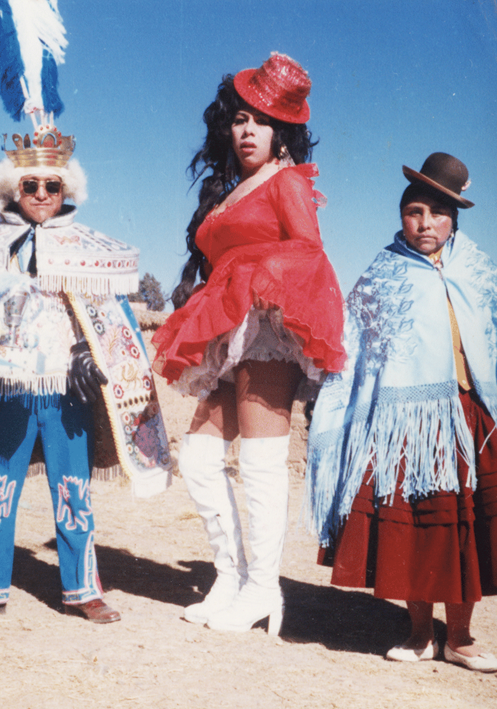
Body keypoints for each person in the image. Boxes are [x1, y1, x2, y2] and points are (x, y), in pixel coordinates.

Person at [0, 123, 171, 622]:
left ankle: (83, 588)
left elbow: (109, 319)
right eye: (31, 186)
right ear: (12, 188)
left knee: (73, 489)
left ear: (67, 189)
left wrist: (94, 353)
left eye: (52, 186)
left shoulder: (88, 250)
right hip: (6, 389)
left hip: (68, 392)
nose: (42, 195)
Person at [152, 52, 346, 634]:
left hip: (264, 331)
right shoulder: (236, 189)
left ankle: (263, 589)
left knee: (260, 465)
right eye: (239, 120)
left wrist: (256, 280)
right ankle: (230, 577)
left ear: (280, 131)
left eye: (259, 122)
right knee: (202, 459)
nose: (246, 131)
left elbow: (309, 251)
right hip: (226, 330)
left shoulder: (288, 181)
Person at [306, 153, 497, 671]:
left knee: (463, 532)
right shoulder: (381, 278)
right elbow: (357, 354)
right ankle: (419, 634)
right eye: (415, 212)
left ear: (454, 219)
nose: (426, 223)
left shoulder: (479, 270)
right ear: (401, 217)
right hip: (404, 430)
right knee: (416, 530)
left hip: (470, 419)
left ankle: (459, 636)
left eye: (437, 214)